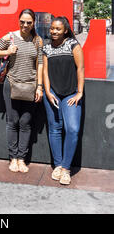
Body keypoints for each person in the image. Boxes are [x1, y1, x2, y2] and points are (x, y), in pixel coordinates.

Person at [0, 9, 43, 173]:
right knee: (12, 122)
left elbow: (40, 64)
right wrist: (8, 51)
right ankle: (13, 158)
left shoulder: (37, 41)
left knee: (25, 123)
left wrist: (40, 86)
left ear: (33, 23)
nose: (25, 25)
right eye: (22, 21)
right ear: (18, 21)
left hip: (30, 86)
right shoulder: (10, 37)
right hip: (12, 84)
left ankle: (22, 159)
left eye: (29, 22)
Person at [42, 16, 84, 186]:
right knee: (55, 129)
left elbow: (80, 68)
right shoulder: (46, 48)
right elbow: (44, 72)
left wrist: (80, 92)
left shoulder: (73, 45)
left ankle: (66, 168)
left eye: (58, 29)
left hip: (70, 94)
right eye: (52, 28)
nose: (54, 31)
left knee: (72, 129)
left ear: (65, 30)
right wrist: (48, 92)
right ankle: (58, 165)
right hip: (52, 93)